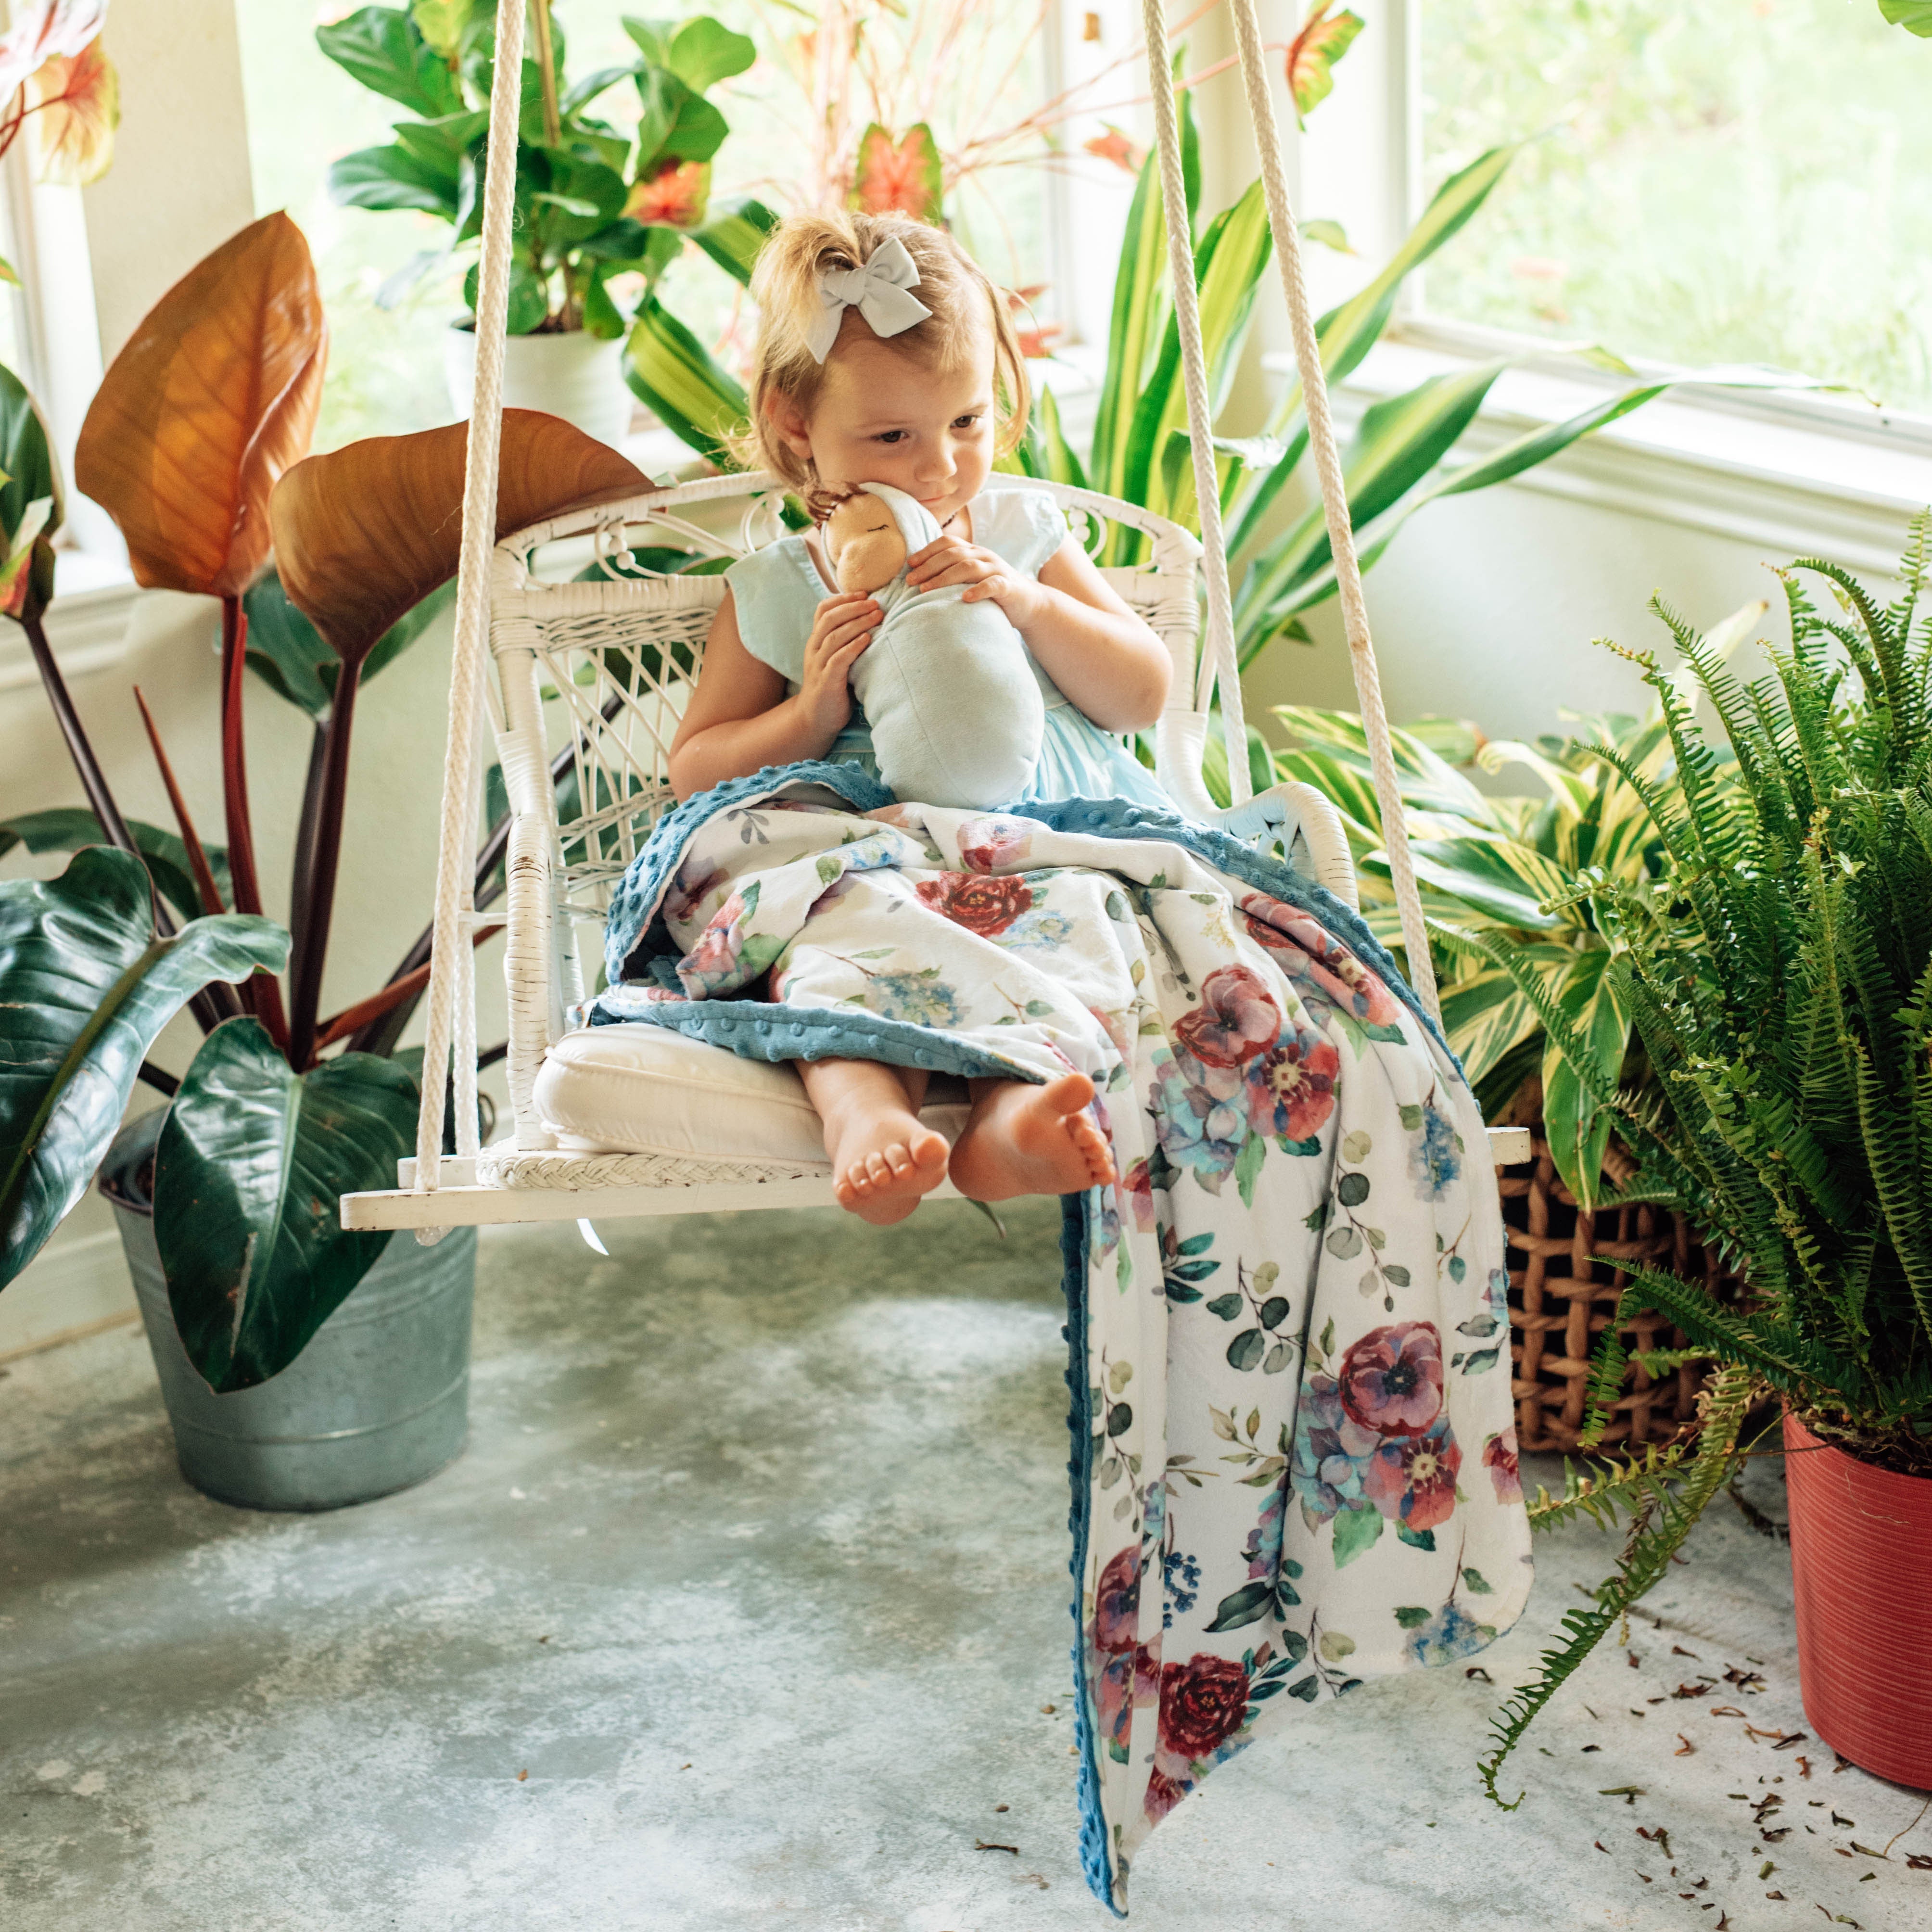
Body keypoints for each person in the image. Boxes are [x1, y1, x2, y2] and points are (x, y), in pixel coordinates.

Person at [667, 210, 1172, 1225]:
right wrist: (812, 709)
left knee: (1065, 924)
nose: (940, 468)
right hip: (861, 842)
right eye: (893, 437)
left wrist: (1028, 604)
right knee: (824, 939)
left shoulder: (1021, 533)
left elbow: (1140, 693)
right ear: (797, 425)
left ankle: (1008, 1123)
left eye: (967, 424)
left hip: (1023, 835)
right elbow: (698, 769)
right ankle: (864, 1115)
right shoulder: (775, 583)